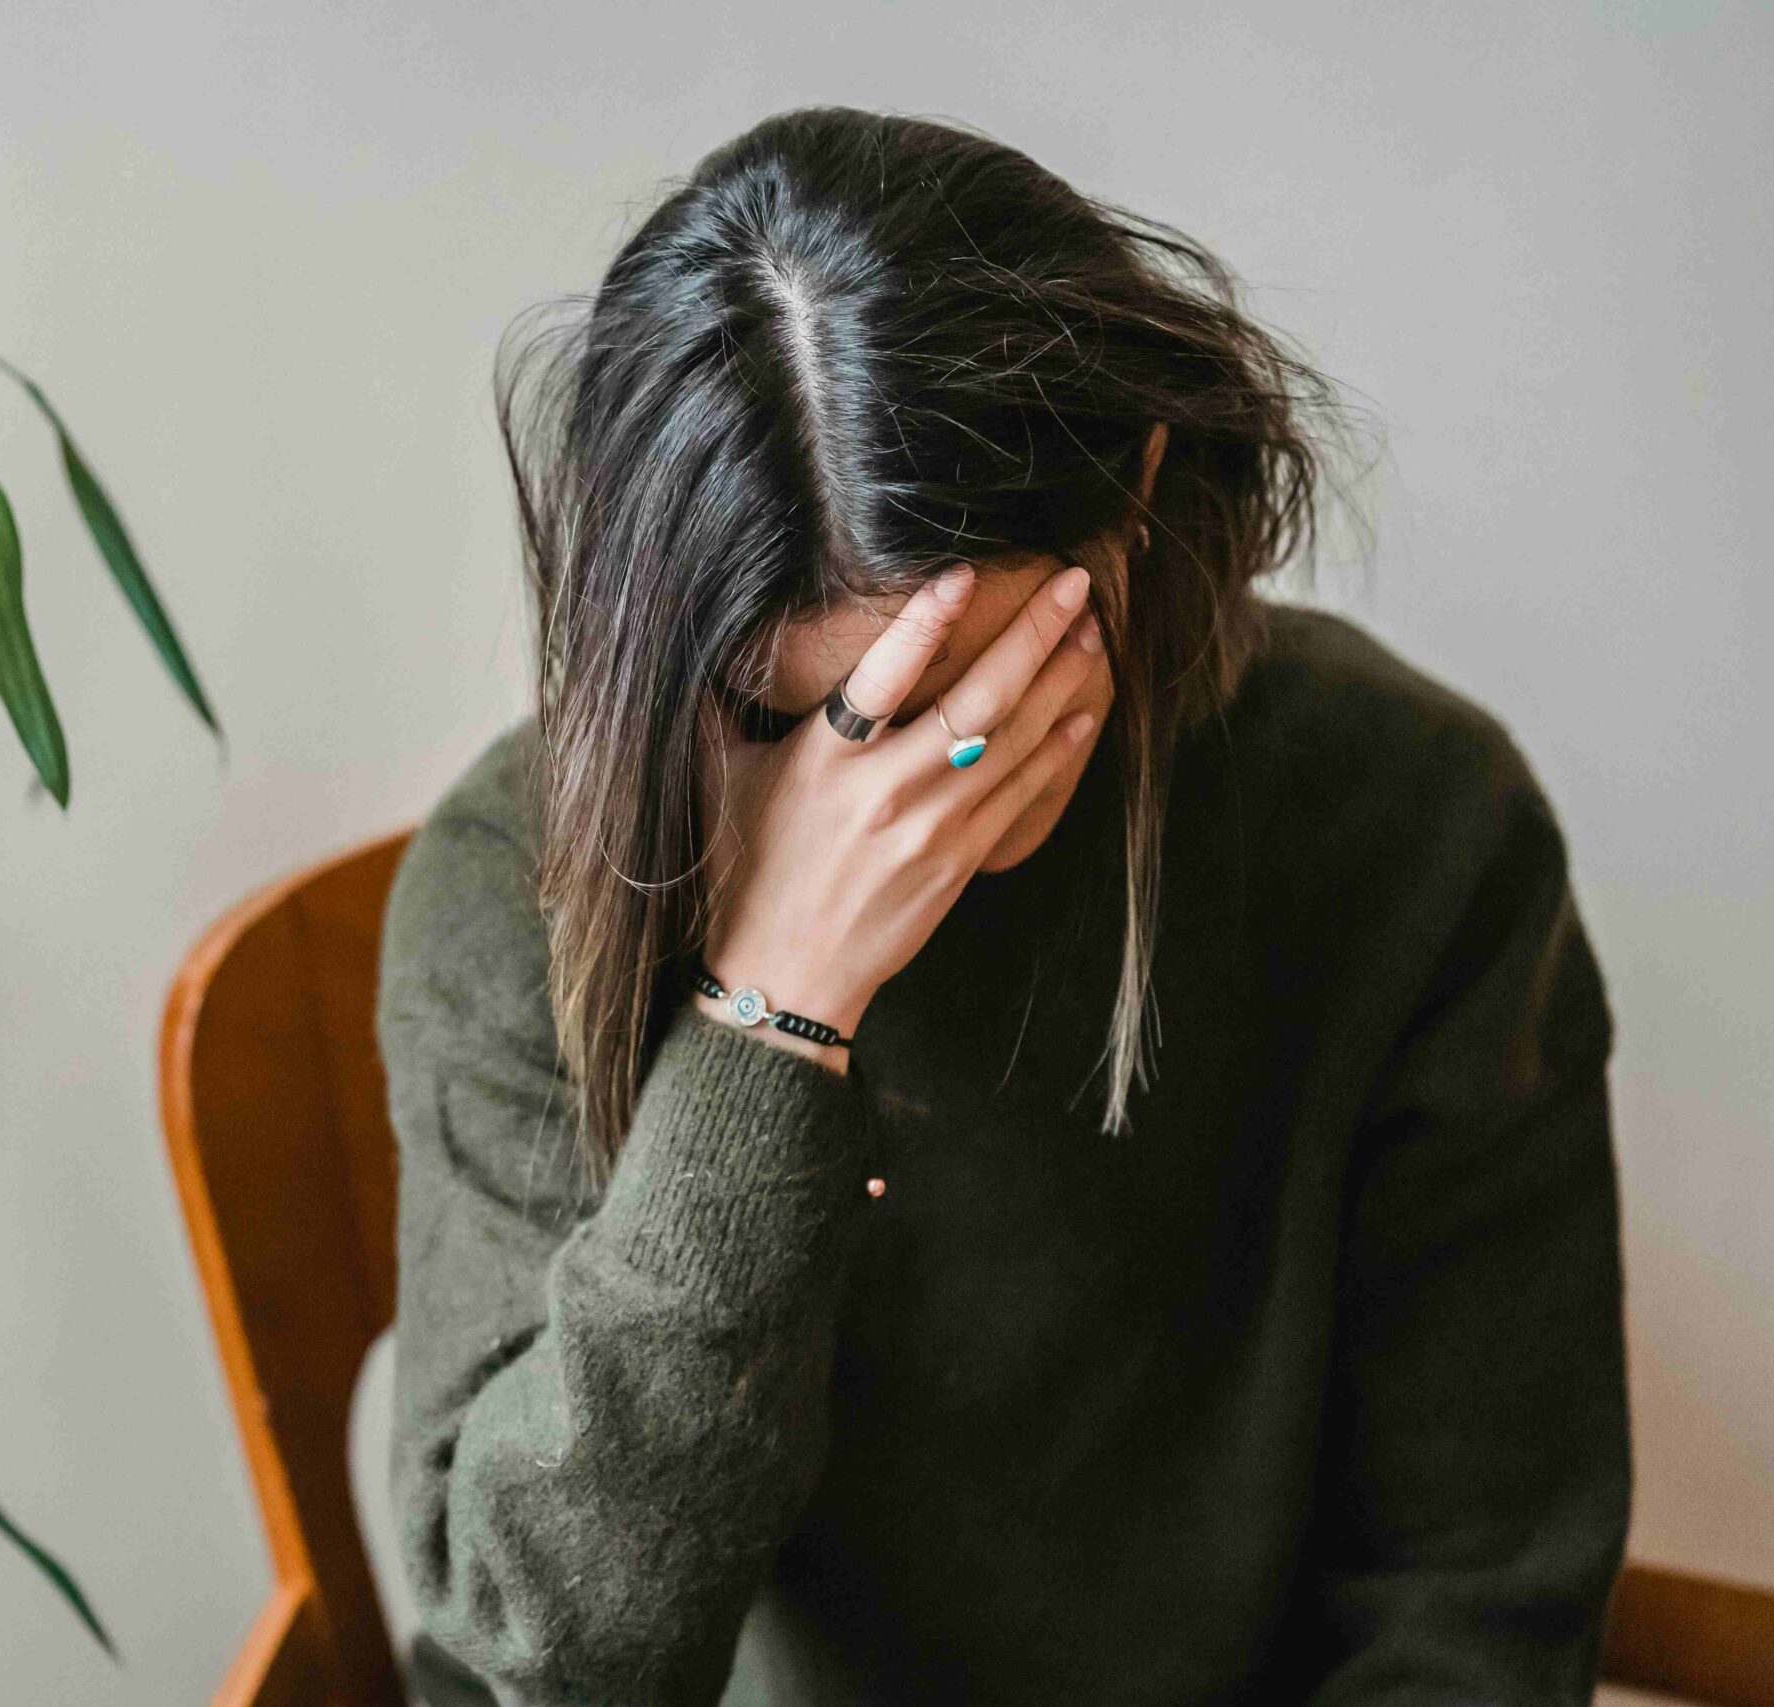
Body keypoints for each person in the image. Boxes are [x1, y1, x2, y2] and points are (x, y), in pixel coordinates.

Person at [376, 105, 1629, 1706]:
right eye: (789, 716)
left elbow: (1479, 1606)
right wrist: (773, 1019)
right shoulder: (515, 888)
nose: (895, 796)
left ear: (1142, 497)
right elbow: (533, 1673)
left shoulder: (1415, 827)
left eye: (968, 693)